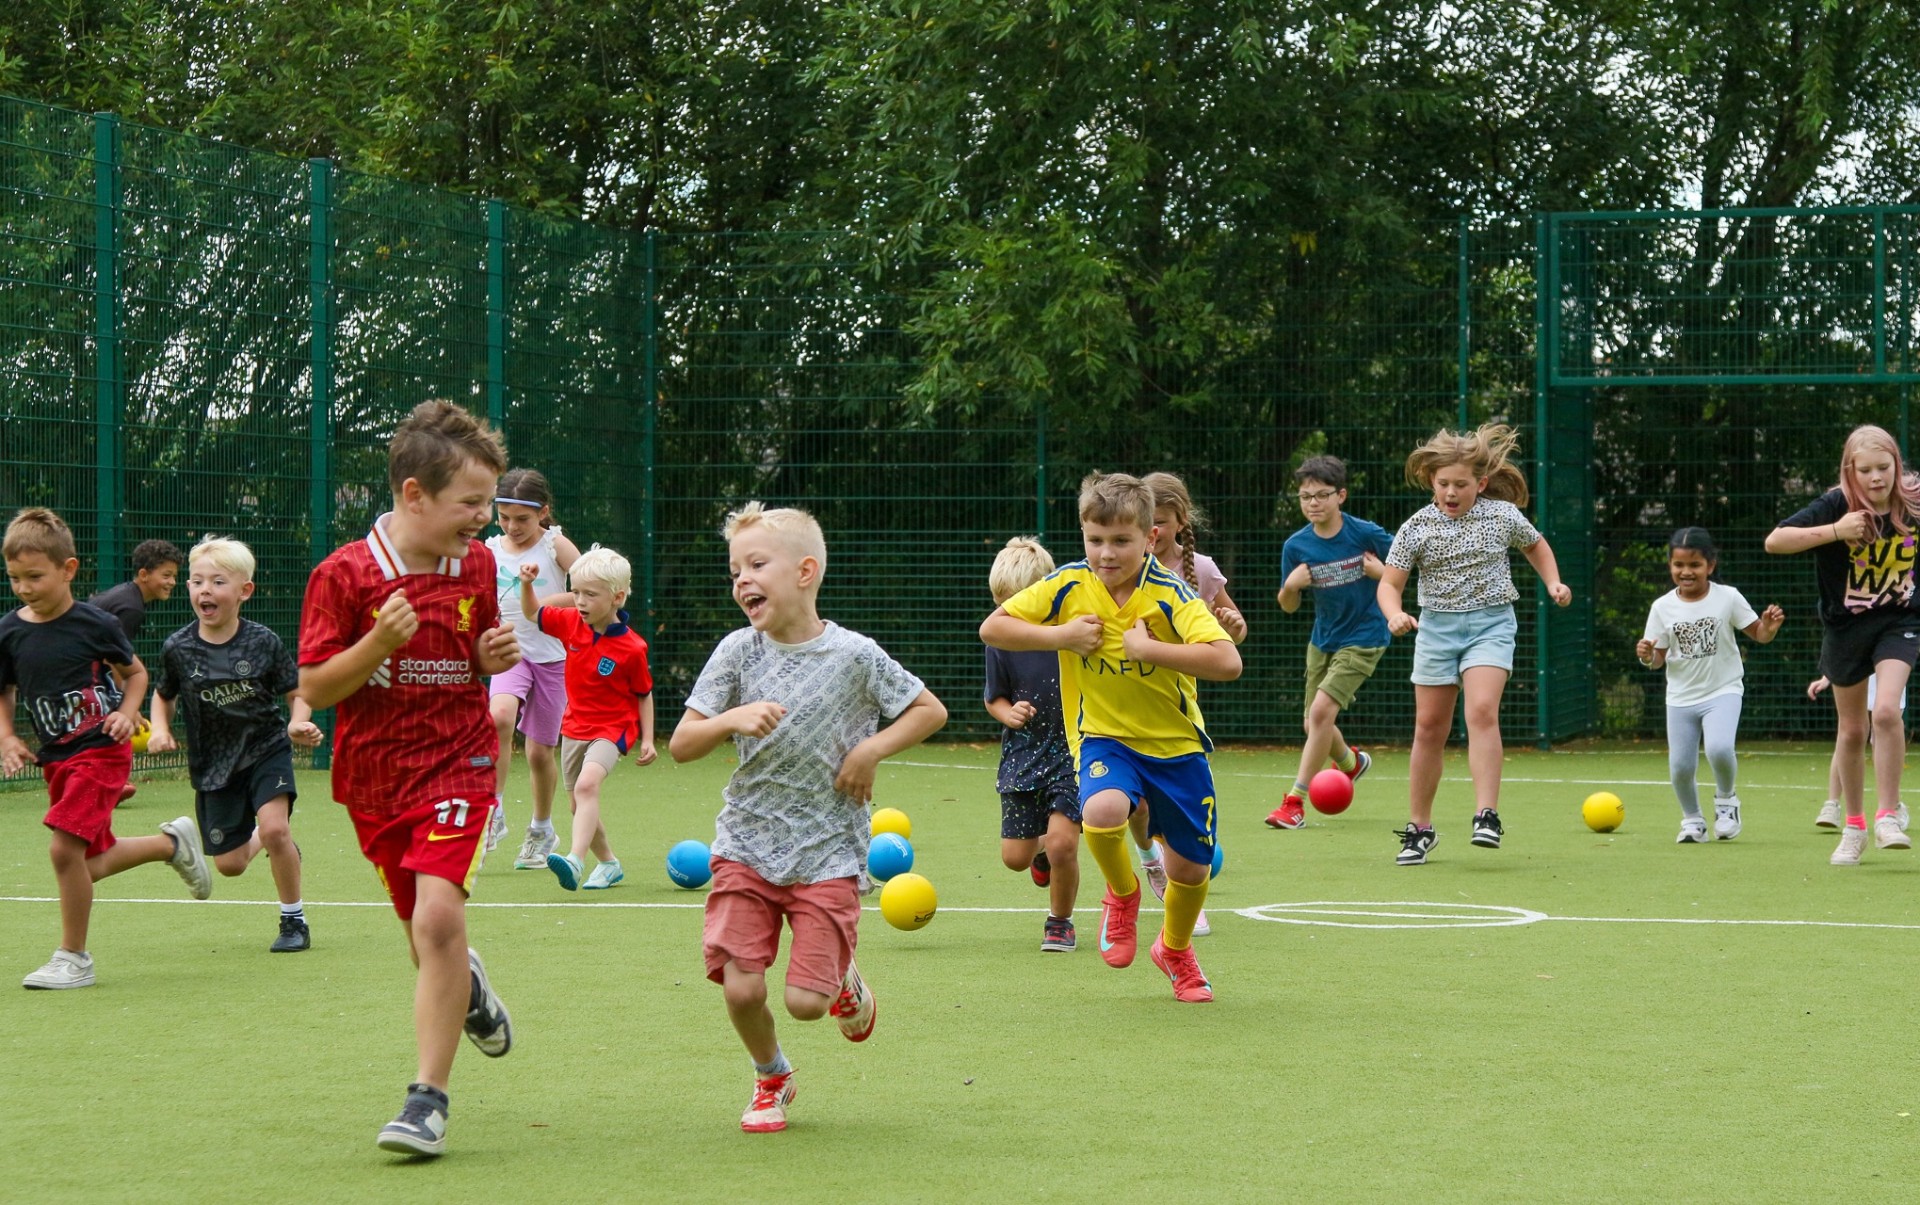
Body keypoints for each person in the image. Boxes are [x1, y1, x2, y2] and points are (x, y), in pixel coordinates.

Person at [669, 501, 947, 1134]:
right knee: (742, 989)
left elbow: (929, 710)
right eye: (734, 569)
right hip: (745, 843)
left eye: (756, 564)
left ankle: (841, 978)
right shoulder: (737, 654)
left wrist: (870, 749)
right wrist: (729, 719)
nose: (741, 579)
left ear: (804, 571)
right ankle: (772, 1076)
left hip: (829, 851)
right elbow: (683, 744)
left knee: (804, 1004)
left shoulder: (854, 655)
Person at [298, 400, 521, 1157]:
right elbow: (319, 689)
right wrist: (375, 643)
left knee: (435, 920)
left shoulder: (480, 562)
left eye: (487, 503)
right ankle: (471, 988)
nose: (482, 519)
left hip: (462, 759)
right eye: (470, 504)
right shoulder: (345, 574)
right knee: (426, 936)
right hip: (375, 780)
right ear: (413, 493)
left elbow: (478, 648)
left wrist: (491, 658)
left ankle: (427, 1100)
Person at [982, 472, 1242, 1004]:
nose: (1105, 552)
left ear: (1149, 539)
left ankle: (1174, 949)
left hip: (1176, 748)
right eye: (1095, 539)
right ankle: (1122, 895)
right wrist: (1063, 636)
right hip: (1102, 737)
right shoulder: (1070, 585)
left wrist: (1152, 652)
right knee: (1101, 811)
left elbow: (1227, 661)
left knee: (1191, 868)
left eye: (1120, 541)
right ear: (1082, 534)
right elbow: (995, 627)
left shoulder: (1169, 594)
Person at [0, 508, 210, 991]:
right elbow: (4, 689)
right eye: (14, 579)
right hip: (58, 759)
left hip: (102, 750)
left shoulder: (94, 623)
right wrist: (9, 736)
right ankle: (170, 844)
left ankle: (73, 958)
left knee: (62, 849)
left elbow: (135, 673)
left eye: (35, 576)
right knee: (87, 863)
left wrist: (125, 711)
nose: (24, 588)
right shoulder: (9, 631)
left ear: (68, 569)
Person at [1376, 423, 1572, 866]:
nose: (1451, 492)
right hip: (1436, 630)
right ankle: (1419, 829)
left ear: (1480, 484)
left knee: (1481, 711)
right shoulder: (1416, 528)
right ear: (1432, 481)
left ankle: (1486, 815)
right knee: (1429, 728)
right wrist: (1395, 614)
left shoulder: (1502, 516)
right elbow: (1390, 584)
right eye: (1443, 483)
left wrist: (1554, 583)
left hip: (1491, 624)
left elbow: (1537, 547)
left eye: (1460, 484)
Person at [147, 536, 325, 951]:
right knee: (229, 865)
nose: (204, 590)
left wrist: (299, 724)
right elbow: (163, 694)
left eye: (217, 581)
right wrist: (159, 728)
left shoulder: (263, 642)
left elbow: (297, 691)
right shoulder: (178, 647)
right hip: (214, 764)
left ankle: (293, 921)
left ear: (244, 591)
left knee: (277, 827)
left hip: (265, 748)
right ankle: (266, 835)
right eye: (196, 581)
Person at [1765, 423, 1920, 866]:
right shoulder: (1835, 505)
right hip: (1846, 627)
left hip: (1899, 620)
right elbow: (1775, 542)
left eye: (1884, 468)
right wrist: (1836, 530)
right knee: (1852, 730)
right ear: (1850, 471)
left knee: (1887, 710)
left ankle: (1888, 814)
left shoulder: (1913, 501)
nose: (1876, 478)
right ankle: (1854, 827)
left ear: (1896, 465)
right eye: (1866, 470)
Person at [1125, 471, 1244, 939]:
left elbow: (1231, 634)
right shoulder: (1119, 565)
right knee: (1129, 805)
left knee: (1174, 810)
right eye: (1145, 521)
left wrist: (1233, 627)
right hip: (1123, 702)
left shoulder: (1202, 571)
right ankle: (1148, 862)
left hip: (1176, 706)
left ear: (1180, 522)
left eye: (1162, 521)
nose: (1153, 531)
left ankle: (1183, 895)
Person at [1269, 454, 1395, 830]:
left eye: (1321, 495)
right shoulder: (1296, 546)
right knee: (1313, 725)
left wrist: (1383, 572)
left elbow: (1406, 573)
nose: (1313, 503)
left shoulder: (1366, 534)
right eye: (1305, 496)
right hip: (1323, 640)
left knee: (1322, 714)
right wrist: (1290, 587)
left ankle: (1294, 803)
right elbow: (1288, 606)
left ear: (1341, 495)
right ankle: (1351, 763)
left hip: (1366, 636)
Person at [519, 547, 656, 891]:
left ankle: (575, 860)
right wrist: (526, 585)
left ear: (617, 597)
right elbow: (532, 612)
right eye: (575, 592)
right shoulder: (570, 624)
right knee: (578, 803)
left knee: (586, 786)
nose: (579, 601)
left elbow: (643, 693)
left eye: (589, 594)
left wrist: (649, 739)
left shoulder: (633, 648)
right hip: (575, 727)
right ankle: (608, 864)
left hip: (614, 729)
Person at [1635, 527, 1784, 843]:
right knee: (1680, 767)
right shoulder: (1662, 607)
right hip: (1680, 697)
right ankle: (1692, 820)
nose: (1686, 572)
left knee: (1718, 748)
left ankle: (1727, 802)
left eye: (1694, 565)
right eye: (1679, 565)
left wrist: (1769, 628)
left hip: (1723, 690)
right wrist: (1648, 656)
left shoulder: (1727, 597)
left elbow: (1759, 633)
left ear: (1710, 566)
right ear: (1670, 566)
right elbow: (1658, 658)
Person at [983, 536, 1081, 952]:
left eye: (1018, 600)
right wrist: (1008, 714)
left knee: (1062, 844)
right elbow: (994, 698)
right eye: (1002, 601)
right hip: (1024, 754)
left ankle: (1060, 922)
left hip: (1073, 753)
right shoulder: (1000, 642)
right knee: (1015, 859)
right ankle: (1039, 854)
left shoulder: (1072, 634)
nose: (1008, 611)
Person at [486, 468, 581, 869]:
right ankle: (494, 811)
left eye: (522, 519)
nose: (512, 526)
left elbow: (588, 587)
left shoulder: (555, 544)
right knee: (498, 716)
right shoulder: (489, 549)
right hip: (510, 651)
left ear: (543, 512)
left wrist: (543, 605)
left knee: (541, 754)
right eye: (504, 516)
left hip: (556, 659)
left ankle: (542, 830)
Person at [1807, 673, 1908, 830]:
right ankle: (1832, 805)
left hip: (1890, 674)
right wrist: (1828, 676)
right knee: (1849, 737)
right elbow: (1843, 651)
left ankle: (1892, 807)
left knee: (1883, 739)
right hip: (1859, 675)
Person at [88, 537, 182, 643]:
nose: (173, 582)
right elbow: (114, 656)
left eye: (174, 576)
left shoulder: (127, 594)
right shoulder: (132, 608)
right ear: (143, 575)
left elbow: (121, 650)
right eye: (166, 575)